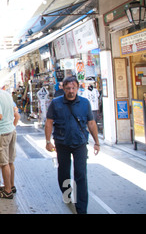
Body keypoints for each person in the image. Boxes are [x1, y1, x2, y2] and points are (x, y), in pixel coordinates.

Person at [45, 76, 100, 214]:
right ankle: (66, 193)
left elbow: (91, 123)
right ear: (63, 88)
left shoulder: (85, 103)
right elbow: (49, 122)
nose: (71, 91)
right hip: (62, 142)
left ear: (77, 88)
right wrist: (47, 141)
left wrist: (97, 142)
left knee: (81, 174)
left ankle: (81, 208)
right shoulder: (56, 103)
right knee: (64, 171)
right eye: (68, 88)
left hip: (80, 143)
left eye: (73, 88)